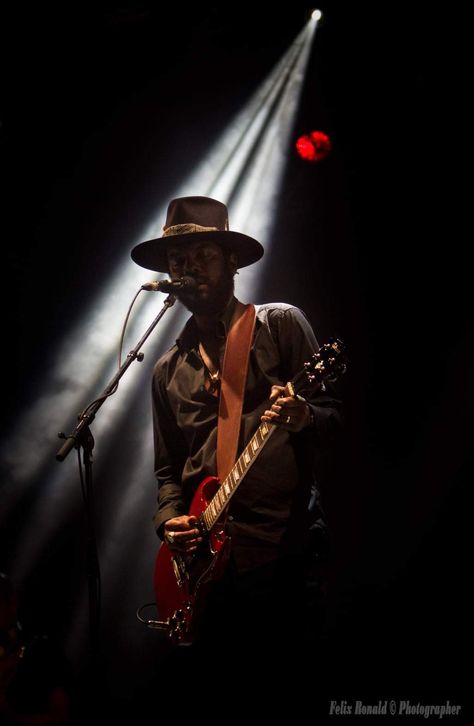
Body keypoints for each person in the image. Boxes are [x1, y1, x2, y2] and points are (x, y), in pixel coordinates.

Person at [131, 196, 342, 679]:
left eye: (201, 254)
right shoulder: (166, 371)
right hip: (208, 569)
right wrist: (170, 521)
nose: (186, 267)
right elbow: (168, 471)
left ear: (231, 261)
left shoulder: (280, 325)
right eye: (176, 259)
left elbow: (335, 418)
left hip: (283, 552)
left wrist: (302, 415)